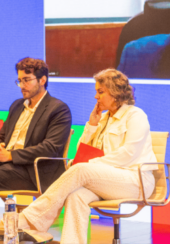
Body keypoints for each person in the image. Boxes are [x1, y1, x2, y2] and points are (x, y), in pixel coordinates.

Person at [16, 68, 157, 244]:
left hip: (137, 181)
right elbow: (83, 150)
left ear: (115, 93)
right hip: (108, 181)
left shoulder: (135, 115)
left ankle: (30, 219)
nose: (96, 97)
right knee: (76, 196)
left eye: (100, 92)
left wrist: (92, 164)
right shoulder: (103, 119)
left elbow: (128, 154)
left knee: (81, 169)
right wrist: (92, 124)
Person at [0, 57, 72, 231]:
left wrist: (11, 155)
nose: (22, 85)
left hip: (32, 170)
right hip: (7, 161)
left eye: (26, 80)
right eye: (19, 81)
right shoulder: (17, 105)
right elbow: (1, 136)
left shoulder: (58, 109)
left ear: (42, 80)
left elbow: (51, 148)